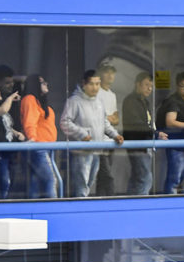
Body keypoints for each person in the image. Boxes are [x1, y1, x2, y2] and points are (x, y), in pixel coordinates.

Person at [59, 69, 124, 198]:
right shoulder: (74, 101)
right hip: (82, 151)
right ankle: (80, 207)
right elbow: (64, 122)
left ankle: (83, 206)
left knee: (89, 182)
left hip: (97, 149)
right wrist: (82, 134)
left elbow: (104, 122)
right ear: (84, 84)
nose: (95, 87)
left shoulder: (99, 102)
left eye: (97, 84)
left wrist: (114, 135)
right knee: (81, 184)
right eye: (92, 84)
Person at [121, 71, 165, 195]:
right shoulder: (131, 101)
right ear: (137, 85)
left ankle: (130, 204)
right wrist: (155, 133)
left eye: (151, 86)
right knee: (145, 178)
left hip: (145, 145)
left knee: (137, 177)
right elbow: (137, 124)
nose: (149, 88)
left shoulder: (144, 102)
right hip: (137, 145)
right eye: (146, 85)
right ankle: (140, 205)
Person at [20, 73, 57, 198]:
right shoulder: (30, 99)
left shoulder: (40, 102)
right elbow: (29, 121)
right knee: (51, 180)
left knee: (35, 182)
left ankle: (32, 211)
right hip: (38, 147)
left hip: (46, 147)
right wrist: (32, 139)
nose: (46, 84)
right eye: (42, 82)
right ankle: (54, 210)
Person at [0, 79, 25, 199]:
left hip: (9, 152)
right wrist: (10, 97)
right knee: (3, 183)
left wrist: (16, 133)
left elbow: (5, 125)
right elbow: (2, 111)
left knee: (11, 182)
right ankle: (0, 204)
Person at [95, 63, 119, 196]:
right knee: (108, 175)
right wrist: (108, 118)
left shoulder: (112, 95)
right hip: (99, 140)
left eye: (112, 73)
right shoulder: (97, 93)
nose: (110, 75)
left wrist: (108, 118)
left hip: (111, 139)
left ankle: (99, 200)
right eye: (107, 72)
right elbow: (98, 117)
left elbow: (116, 118)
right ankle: (112, 200)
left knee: (102, 177)